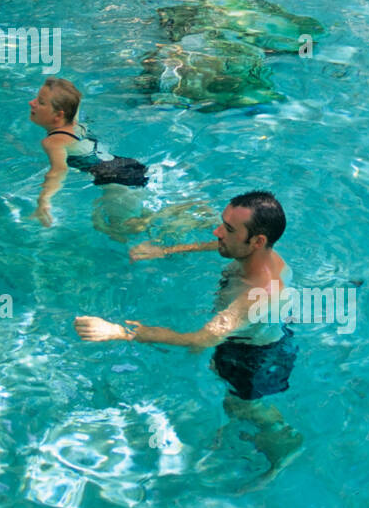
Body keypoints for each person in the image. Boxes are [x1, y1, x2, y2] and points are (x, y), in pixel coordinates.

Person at [74, 191, 302, 476]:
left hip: (252, 357)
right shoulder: (263, 255)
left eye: (228, 229)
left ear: (257, 241)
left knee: (242, 405)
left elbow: (199, 339)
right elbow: (222, 246)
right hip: (261, 333)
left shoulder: (257, 295)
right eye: (222, 223)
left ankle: (284, 441)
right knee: (234, 401)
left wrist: (120, 332)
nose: (217, 231)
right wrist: (169, 250)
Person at [30, 77, 152, 233]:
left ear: (58, 115)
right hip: (128, 164)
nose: (32, 103)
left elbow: (58, 170)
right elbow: (77, 98)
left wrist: (44, 199)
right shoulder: (75, 123)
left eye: (41, 102)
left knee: (120, 230)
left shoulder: (54, 141)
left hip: (114, 178)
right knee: (137, 211)